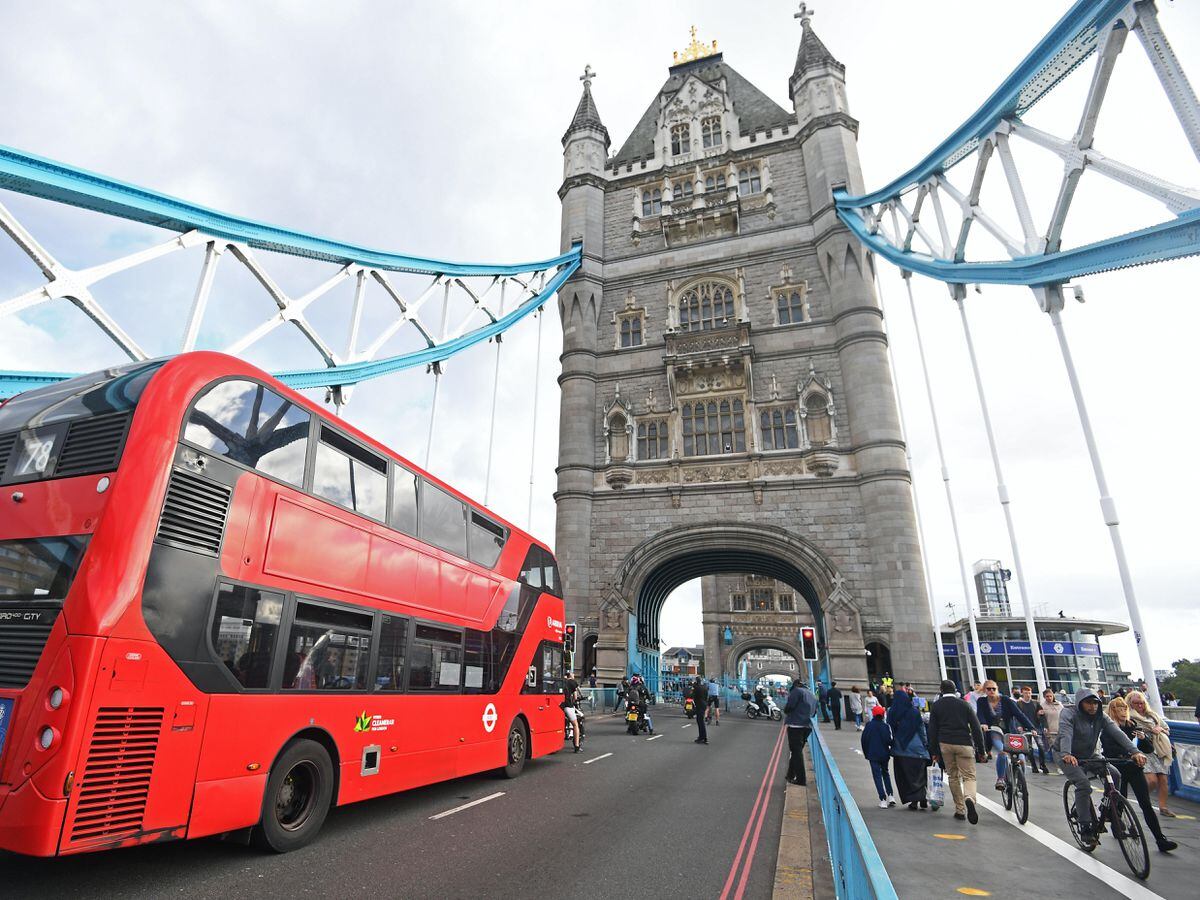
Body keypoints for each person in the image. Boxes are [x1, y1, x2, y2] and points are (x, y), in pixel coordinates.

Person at [1057, 687, 1145, 849]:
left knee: (1115, 774)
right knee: (1083, 784)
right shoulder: (1069, 714)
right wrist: (1067, 753)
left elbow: (1117, 733)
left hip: (1090, 754)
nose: (1092, 707)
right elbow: (1065, 733)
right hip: (1067, 755)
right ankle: (1085, 827)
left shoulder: (1101, 717)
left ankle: (1109, 808)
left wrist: (1135, 751)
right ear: (1080, 703)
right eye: (1088, 703)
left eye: (1095, 703)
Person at [1104, 697, 1177, 852]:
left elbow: (1149, 750)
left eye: (1125, 708)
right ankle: (1116, 824)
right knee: (1119, 801)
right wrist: (1128, 754)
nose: (1124, 712)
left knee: (1146, 804)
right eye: (1119, 709)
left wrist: (1143, 740)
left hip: (1134, 768)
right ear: (1113, 711)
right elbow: (1109, 749)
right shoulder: (1109, 729)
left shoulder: (1132, 726)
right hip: (1118, 768)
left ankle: (1160, 839)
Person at [928, 679, 986, 824]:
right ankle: (969, 798)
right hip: (964, 743)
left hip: (945, 744)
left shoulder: (936, 706)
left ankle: (960, 810)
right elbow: (976, 727)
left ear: (941, 690)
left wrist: (934, 751)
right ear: (955, 690)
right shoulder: (964, 704)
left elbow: (932, 730)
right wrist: (981, 749)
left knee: (953, 776)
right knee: (969, 777)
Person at [975, 680, 1036, 790]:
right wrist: (983, 723)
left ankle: (1020, 781)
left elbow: (1019, 714)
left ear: (997, 689)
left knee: (1021, 757)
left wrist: (1031, 728)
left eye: (994, 688)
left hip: (1010, 732)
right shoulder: (981, 701)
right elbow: (980, 714)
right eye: (988, 689)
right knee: (1002, 751)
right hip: (994, 731)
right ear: (984, 690)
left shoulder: (1006, 700)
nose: (991, 691)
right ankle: (1001, 779)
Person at [1126, 690, 1174, 818]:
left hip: (1159, 749)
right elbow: (1131, 733)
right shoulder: (1129, 717)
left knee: (1163, 779)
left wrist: (1159, 729)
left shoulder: (1153, 716)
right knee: (1152, 780)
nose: (1140, 705)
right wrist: (1149, 731)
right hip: (1143, 750)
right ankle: (1143, 799)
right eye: (1136, 703)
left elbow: (1167, 729)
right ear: (1130, 704)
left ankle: (1163, 807)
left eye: (1141, 702)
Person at [888, 689, 931, 809]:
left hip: (900, 749)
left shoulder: (892, 712)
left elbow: (889, 730)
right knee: (920, 774)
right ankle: (922, 796)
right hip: (918, 749)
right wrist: (925, 744)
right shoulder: (914, 712)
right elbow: (921, 730)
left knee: (907, 777)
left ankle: (914, 801)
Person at [783, 677, 817, 785]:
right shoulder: (811, 694)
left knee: (796, 752)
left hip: (795, 725)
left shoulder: (796, 691)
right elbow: (815, 710)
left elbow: (789, 707)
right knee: (797, 752)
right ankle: (790, 774)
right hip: (807, 726)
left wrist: (786, 711)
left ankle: (801, 779)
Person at [861, 705, 896, 808]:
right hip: (884, 754)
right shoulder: (886, 726)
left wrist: (866, 753)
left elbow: (864, 740)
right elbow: (889, 741)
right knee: (886, 773)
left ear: (874, 714)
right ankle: (890, 795)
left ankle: (882, 798)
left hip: (873, 754)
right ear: (883, 715)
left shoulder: (869, 726)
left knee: (877, 776)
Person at [1016, 685, 1050, 774]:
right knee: (1029, 748)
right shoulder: (1019, 704)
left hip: (1036, 727)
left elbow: (1042, 715)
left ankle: (1042, 764)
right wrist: (1019, 726)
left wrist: (1045, 726)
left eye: (1029, 693)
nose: (1028, 695)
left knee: (1041, 746)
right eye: (1026, 693)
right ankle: (1034, 766)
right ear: (1022, 693)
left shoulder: (1035, 703)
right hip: (1025, 728)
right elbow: (1017, 716)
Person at [1041, 688, 1063, 764]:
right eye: (1047, 696)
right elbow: (1041, 720)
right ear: (1044, 697)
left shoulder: (1059, 704)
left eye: (1050, 696)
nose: (1049, 698)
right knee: (1055, 749)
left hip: (1061, 730)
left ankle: (1064, 765)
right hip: (1051, 732)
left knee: (1063, 749)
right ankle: (1058, 766)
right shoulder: (1042, 706)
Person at [562, 673, 582, 753]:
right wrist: (574, 701)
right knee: (575, 724)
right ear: (571, 676)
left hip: (559, 705)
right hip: (567, 705)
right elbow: (576, 695)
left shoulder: (563, 681)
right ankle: (576, 746)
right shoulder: (573, 682)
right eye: (573, 674)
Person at [691, 676, 708, 744]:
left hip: (699, 705)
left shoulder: (697, 688)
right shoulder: (704, 687)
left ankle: (703, 737)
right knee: (700, 721)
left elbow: (692, 695)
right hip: (704, 704)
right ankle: (702, 737)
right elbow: (706, 696)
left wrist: (693, 687)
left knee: (700, 722)